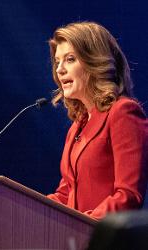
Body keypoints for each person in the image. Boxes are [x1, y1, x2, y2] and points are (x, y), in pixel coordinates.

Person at [47, 21, 148, 220]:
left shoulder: (123, 112)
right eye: (57, 61)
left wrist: (84, 223)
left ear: (94, 62)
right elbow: (66, 194)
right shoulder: (77, 126)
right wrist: (25, 208)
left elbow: (128, 195)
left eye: (69, 59)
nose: (59, 69)